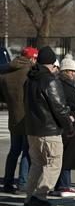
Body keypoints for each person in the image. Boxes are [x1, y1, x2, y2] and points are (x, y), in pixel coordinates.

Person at [22, 47, 74, 206]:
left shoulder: (30, 79)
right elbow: (59, 108)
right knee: (54, 162)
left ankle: (30, 196)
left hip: (32, 129)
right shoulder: (50, 80)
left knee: (37, 163)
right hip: (49, 129)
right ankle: (40, 195)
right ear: (52, 64)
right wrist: (69, 126)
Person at [0, 46, 37, 193]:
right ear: (31, 58)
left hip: (13, 117)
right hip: (27, 117)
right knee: (27, 151)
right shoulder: (30, 72)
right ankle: (23, 183)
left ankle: (8, 182)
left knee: (14, 150)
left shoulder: (7, 72)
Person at [52, 54, 75, 198]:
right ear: (64, 71)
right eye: (70, 71)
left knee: (67, 155)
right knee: (67, 156)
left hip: (71, 124)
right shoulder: (62, 83)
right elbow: (62, 103)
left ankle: (62, 185)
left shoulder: (67, 83)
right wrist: (70, 111)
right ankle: (64, 185)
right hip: (68, 125)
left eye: (74, 71)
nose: (73, 73)